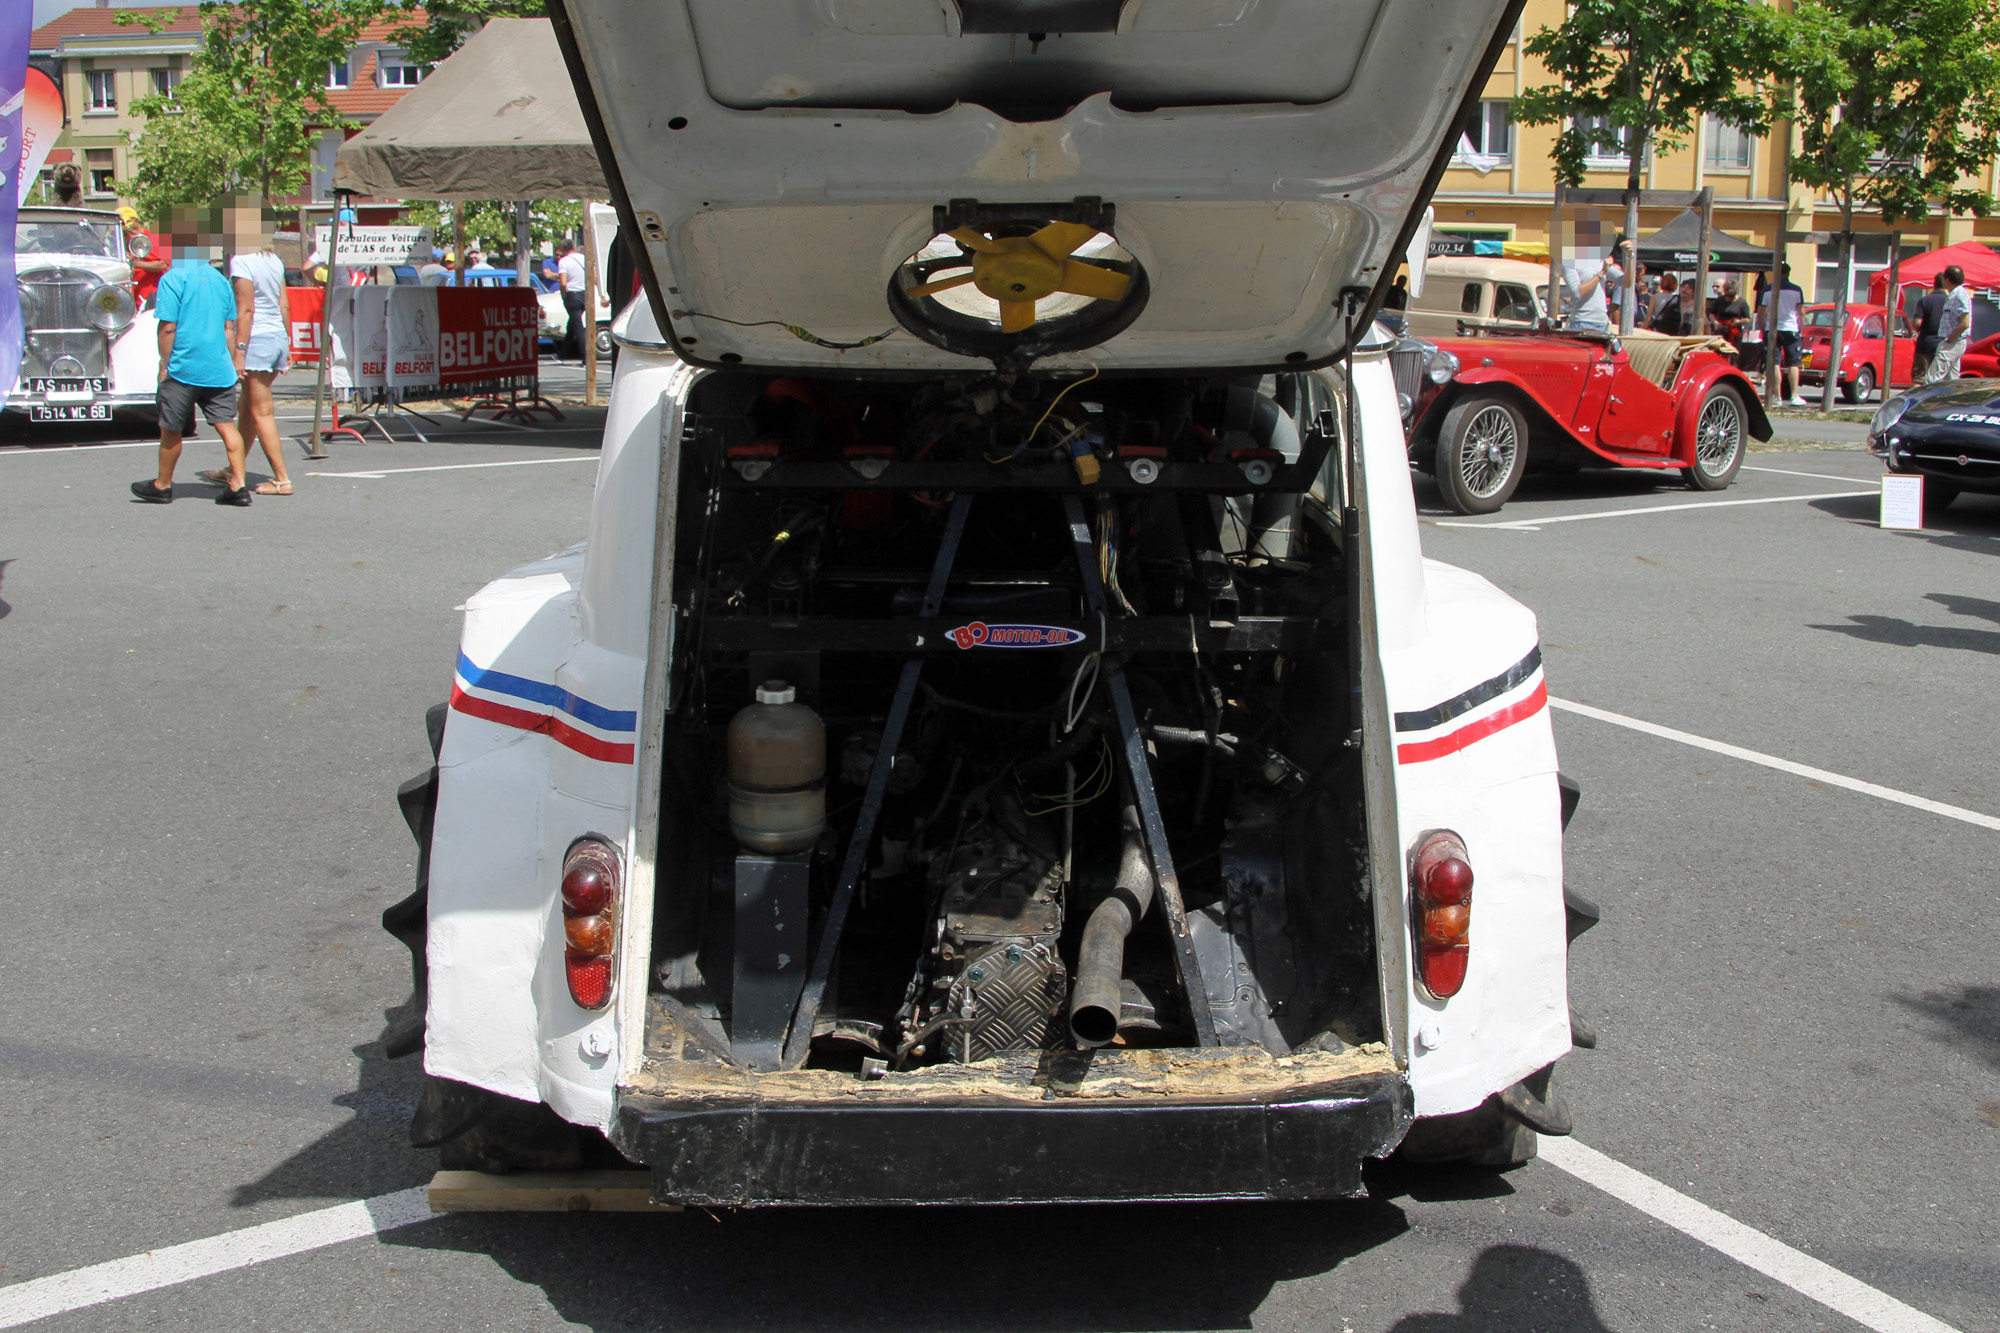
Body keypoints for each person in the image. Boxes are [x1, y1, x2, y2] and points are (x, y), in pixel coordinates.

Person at [130, 204, 251, 507]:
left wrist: (163, 364)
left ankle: (162, 484)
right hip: (218, 367)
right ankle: (238, 485)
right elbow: (228, 327)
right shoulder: (221, 280)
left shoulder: (174, 277)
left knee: (170, 429)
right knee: (227, 426)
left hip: (184, 365)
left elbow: (168, 328)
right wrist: (234, 359)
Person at [197, 196, 294, 498]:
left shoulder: (241, 261)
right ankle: (234, 467)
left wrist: (239, 350)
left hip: (258, 340)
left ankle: (282, 479)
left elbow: (245, 310)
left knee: (261, 411)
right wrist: (288, 344)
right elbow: (284, 304)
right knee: (247, 409)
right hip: (275, 337)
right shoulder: (273, 259)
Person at [1758, 263, 1806, 404]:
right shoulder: (1796, 290)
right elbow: (1801, 312)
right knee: (1793, 362)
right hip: (1790, 328)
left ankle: (1777, 396)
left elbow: (1761, 312)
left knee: (1774, 362)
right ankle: (1794, 395)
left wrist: (1763, 328)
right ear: (1788, 273)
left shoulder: (1767, 289)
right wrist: (1800, 329)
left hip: (1772, 328)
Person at [1923, 264, 1973, 384]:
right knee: (1952, 380)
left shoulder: (1958, 295)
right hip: (1955, 341)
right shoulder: (1957, 294)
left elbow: (1965, 322)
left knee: (1932, 378)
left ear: (1948, 280)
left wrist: (1950, 339)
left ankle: (1926, 401)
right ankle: (1955, 401)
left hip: (1953, 342)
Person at [119, 206, 169, 309]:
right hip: (134, 299)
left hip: (154, 298)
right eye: (124, 232)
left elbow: (164, 264)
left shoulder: (153, 237)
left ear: (137, 222)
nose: (129, 235)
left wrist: (134, 263)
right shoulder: (122, 243)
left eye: (131, 229)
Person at [556, 237, 588, 360]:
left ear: (563, 250)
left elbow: (563, 283)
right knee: (573, 324)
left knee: (578, 325)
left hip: (572, 294)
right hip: (584, 294)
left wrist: (564, 294)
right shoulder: (583, 258)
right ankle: (563, 353)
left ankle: (585, 355)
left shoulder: (564, 262)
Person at [1911, 274, 1949, 381]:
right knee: (1939, 380)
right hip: (1943, 346)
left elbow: (1917, 323)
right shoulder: (1950, 301)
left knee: (1919, 378)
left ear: (1934, 284)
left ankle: (1917, 398)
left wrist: (1921, 328)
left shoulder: (1924, 301)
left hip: (1925, 344)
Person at [1709, 276, 1750, 344]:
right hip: (1721, 330)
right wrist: (1715, 322)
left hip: (1735, 331)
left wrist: (1739, 321)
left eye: (1731, 297)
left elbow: (1747, 319)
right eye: (1727, 296)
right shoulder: (1720, 300)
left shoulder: (1742, 302)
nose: (1729, 299)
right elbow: (1712, 314)